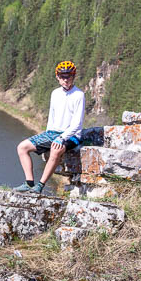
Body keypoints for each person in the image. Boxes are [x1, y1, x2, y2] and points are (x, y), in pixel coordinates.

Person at [14, 61, 84, 193]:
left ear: (73, 76)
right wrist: (46, 134)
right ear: (57, 77)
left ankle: (40, 186)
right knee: (22, 147)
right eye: (62, 76)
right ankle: (29, 183)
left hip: (73, 136)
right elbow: (52, 116)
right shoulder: (55, 93)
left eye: (68, 76)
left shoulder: (79, 95)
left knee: (55, 150)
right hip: (53, 132)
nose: (65, 79)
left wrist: (62, 138)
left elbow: (77, 124)